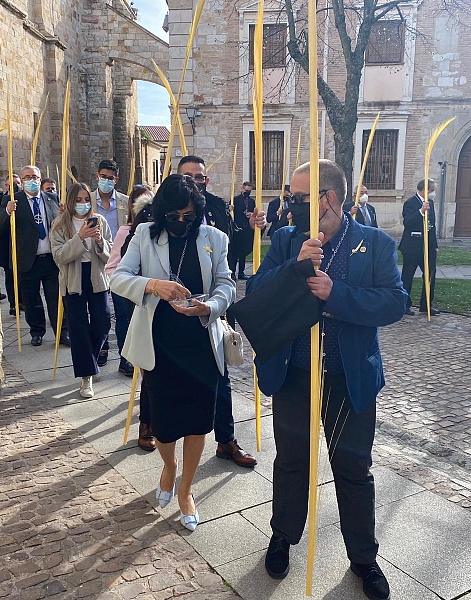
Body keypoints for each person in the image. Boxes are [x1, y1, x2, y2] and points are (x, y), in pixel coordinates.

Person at [246, 159, 406, 600]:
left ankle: (363, 557)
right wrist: (294, 267)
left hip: (347, 378)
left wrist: (338, 295)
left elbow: (395, 302)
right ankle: (282, 537)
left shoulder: (372, 244)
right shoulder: (284, 239)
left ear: (328, 199)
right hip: (295, 375)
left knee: (353, 468)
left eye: (298, 198)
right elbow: (257, 293)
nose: (289, 205)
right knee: (292, 461)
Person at [110, 174, 235, 532]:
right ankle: (169, 466)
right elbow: (118, 278)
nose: (182, 222)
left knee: (198, 421)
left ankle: (186, 489)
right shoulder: (145, 235)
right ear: (161, 211)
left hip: (200, 341)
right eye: (174, 216)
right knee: (163, 424)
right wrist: (152, 285)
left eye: (189, 216)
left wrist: (208, 306)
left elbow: (227, 284)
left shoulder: (215, 238)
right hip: (160, 342)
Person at [177, 155, 262, 468]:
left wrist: (252, 229)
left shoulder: (215, 207)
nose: (196, 183)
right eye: (188, 177)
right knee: (167, 376)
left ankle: (226, 440)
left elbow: (233, 250)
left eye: (200, 177)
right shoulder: (160, 211)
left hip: (213, 310)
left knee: (221, 377)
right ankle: (155, 428)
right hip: (174, 310)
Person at [0, 165, 69, 347]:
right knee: (32, 299)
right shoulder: (13, 201)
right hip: (28, 260)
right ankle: (37, 331)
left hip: (51, 258)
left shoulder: (52, 198)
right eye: (27, 177)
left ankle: (62, 331)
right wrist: (7, 212)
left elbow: (60, 226)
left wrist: (63, 216)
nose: (31, 180)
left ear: (40, 178)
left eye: (34, 177)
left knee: (56, 298)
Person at [50, 183, 112, 398]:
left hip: (97, 276)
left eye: (87, 199)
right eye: (79, 199)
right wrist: (80, 237)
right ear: (70, 200)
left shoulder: (100, 221)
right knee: (78, 328)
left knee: (103, 321)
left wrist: (100, 241)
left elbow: (110, 254)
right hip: (73, 279)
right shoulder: (60, 224)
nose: (83, 204)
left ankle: (90, 363)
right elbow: (59, 256)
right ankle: (87, 377)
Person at [106, 185, 155, 451]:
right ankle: (146, 425)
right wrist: (143, 288)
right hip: (143, 304)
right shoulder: (131, 233)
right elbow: (118, 270)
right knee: (148, 372)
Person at [93, 159, 129, 367]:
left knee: (122, 314)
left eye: (111, 178)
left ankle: (125, 357)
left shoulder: (125, 202)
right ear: (97, 176)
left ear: (116, 180)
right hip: (95, 263)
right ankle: (102, 348)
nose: (106, 181)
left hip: (118, 265)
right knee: (100, 313)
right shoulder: (86, 200)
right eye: (103, 176)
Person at [398, 179, 439, 316]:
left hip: (428, 247)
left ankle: (426, 304)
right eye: (431, 190)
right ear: (424, 190)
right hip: (412, 247)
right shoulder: (410, 203)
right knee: (408, 276)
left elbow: (431, 227)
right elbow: (408, 223)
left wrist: (435, 245)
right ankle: (404, 304)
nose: (433, 193)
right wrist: (421, 211)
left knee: (430, 276)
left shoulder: (430, 203)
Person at [0, 173, 22, 315]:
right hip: (6, 245)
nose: (16, 187)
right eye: (13, 185)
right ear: (6, 186)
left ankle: (22, 301)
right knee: (10, 275)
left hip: (22, 245)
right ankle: (13, 303)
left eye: (18, 184)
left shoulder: (23, 199)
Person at [230, 182, 256, 280]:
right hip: (236, 227)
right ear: (242, 189)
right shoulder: (235, 200)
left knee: (243, 252)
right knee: (234, 252)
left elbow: (254, 212)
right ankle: (232, 272)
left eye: (249, 191)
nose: (247, 193)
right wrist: (230, 208)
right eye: (246, 191)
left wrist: (251, 214)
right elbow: (229, 212)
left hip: (246, 227)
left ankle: (241, 272)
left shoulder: (252, 201)